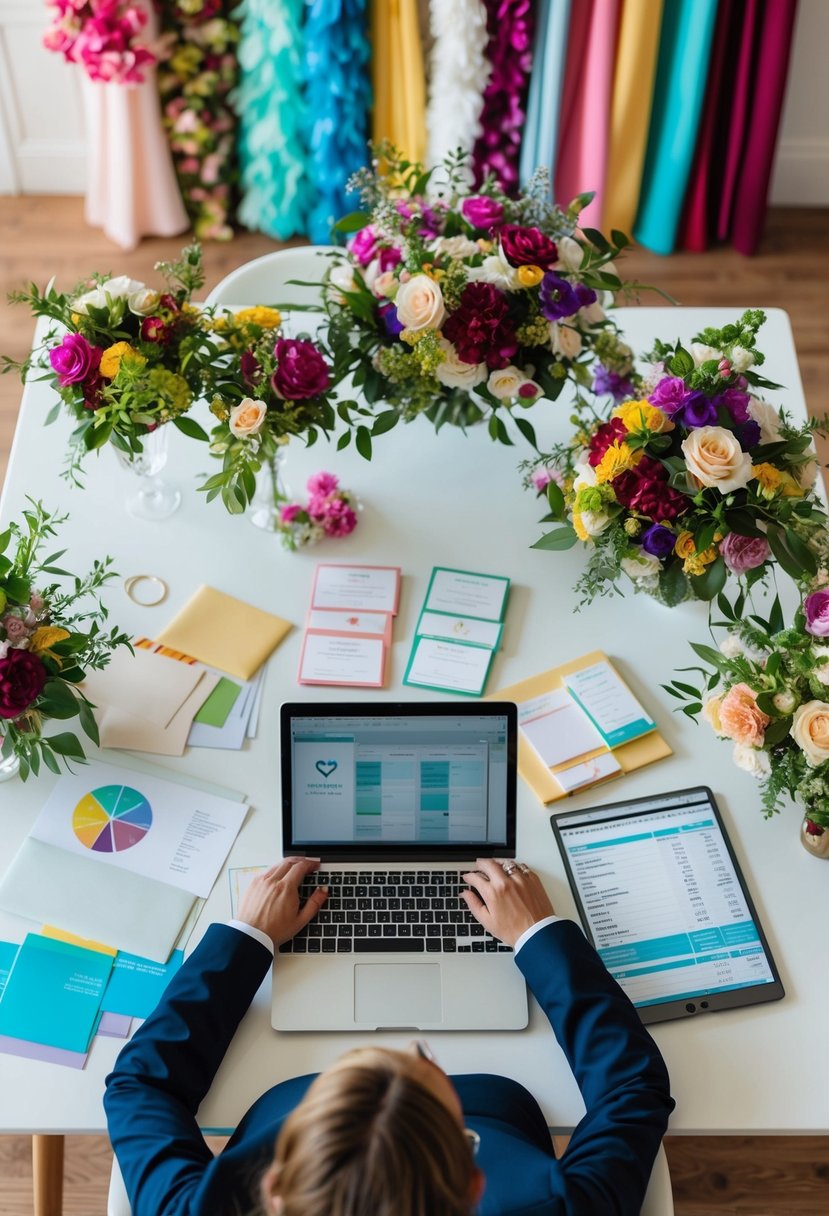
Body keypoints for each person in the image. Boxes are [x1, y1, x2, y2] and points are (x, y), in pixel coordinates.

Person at [104, 857, 675, 1216]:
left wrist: (247, 938)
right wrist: (538, 936)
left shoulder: (205, 1208)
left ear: (275, 1183)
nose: (413, 1049)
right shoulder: (552, 1205)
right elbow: (633, 1087)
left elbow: (139, 1087)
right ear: (474, 1184)